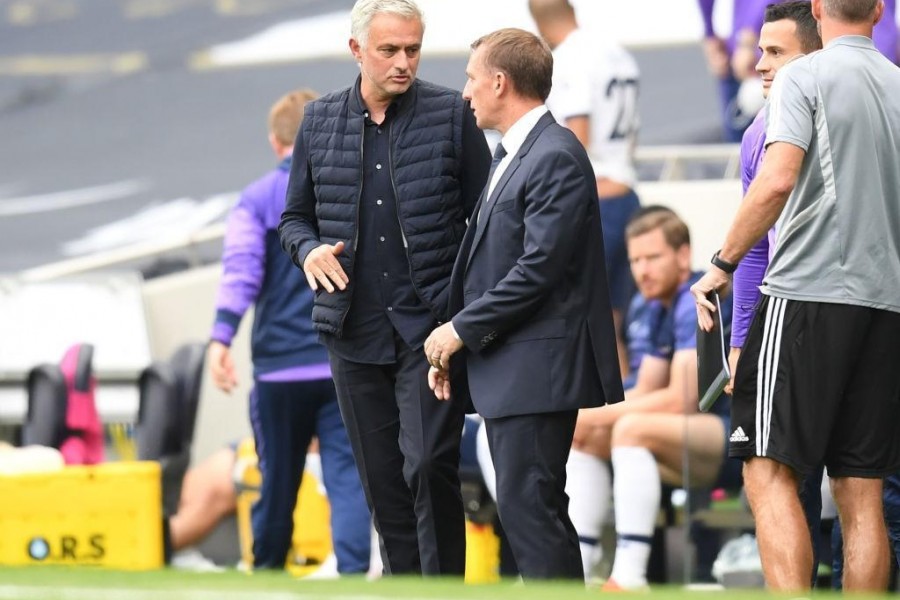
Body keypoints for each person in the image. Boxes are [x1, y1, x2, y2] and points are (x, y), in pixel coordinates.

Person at [691, 0, 900, 592]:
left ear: (816, 9)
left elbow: (776, 179)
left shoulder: (801, 77)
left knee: (766, 470)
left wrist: (721, 263)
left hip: (807, 296)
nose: (763, 64)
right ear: (880, 10)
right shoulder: (897, 83)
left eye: (771, 52)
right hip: (886, 304)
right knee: (861, 491)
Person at [278, 0, 491, 576]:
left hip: (430, 332)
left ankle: (443, 588)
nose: (404, 62)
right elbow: (294, 218)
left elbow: (488, 216)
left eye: (413, 50)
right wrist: (308, 249)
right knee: (383, 482)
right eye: (389, 50)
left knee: (427, 466)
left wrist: (467, 313)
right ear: (357, 51)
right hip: (351, 332)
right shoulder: (319, 120)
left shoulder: (451, 114)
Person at [423, 27, 624, 580]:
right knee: (528, 511)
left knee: (532, 513)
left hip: (538, 373)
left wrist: (458, 330)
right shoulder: (514, 154)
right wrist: (454, 347)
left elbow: (539, 268)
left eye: (470, 79)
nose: (465, 93)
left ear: (499, 81)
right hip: (515, 371)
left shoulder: (554, 154)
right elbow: (489, 265)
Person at [207, 89, 370, 574]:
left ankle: (269, 572)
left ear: (276, 142)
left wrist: (221, 337)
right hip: (343, 359)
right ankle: (356, 574)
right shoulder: (352, 186)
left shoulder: (257, 198)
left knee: (278, 480)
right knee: (347, 478)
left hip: (280, 370)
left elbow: (241, 271)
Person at [571, 208, 739, 591]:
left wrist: (591, 415)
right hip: (687, 438)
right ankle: (581, 562)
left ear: (683, 256)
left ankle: (630, 574)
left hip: (736, 434)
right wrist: (586, 419)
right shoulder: (646, 305)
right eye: (634, 260)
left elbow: (683, 400)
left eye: (652, 257)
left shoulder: (696, 297)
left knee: (630, 428)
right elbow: (647, 389)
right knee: (586, 437)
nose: (641, 270)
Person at [528, 0, 642, 380]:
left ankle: (600, 419)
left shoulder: (569, 59)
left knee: (590, 320)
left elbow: (577, 137)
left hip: (595, 199)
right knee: (617, 321)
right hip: (626, 191)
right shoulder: (617, 54)